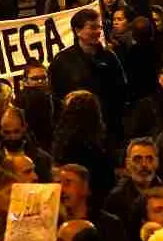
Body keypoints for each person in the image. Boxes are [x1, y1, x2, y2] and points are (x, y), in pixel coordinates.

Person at [49, 8, 128, 141]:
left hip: (107, 131)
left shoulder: (110, 57)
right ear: (77, 31)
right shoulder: (62, 60)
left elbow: (121, 91)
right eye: (92, 27)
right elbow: (55, 96)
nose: (97, 32)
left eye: (99, 27)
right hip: (74, 131)